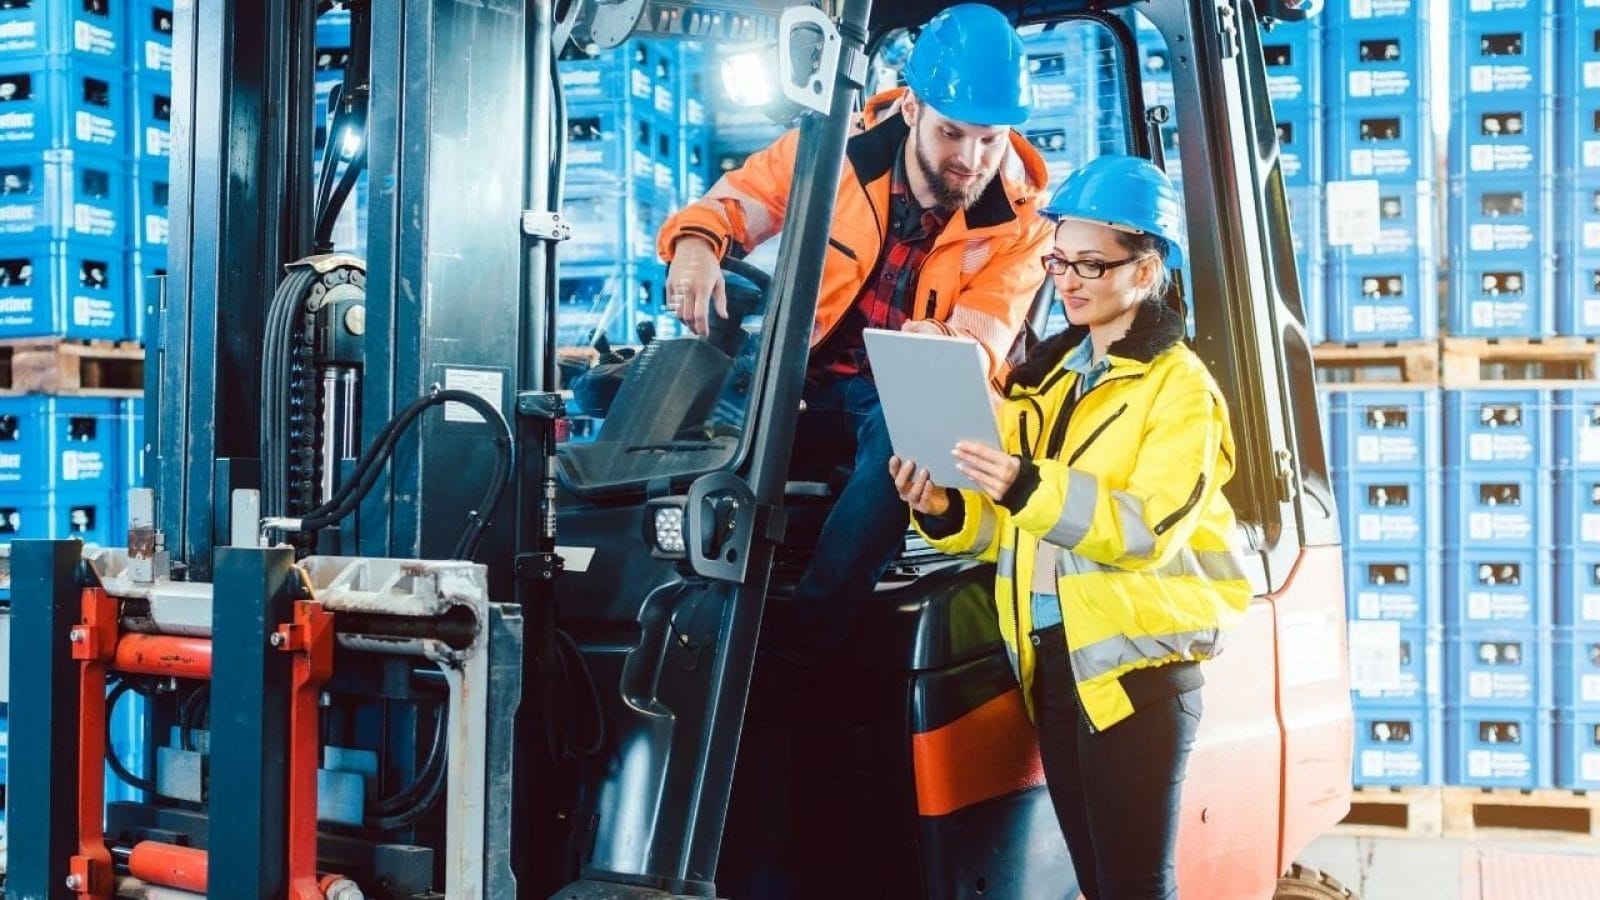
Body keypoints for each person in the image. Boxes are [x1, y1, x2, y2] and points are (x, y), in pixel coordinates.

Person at [890, 155, 1250, 900]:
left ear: (1146, 271)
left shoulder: (1181, 391)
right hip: (1054, 663)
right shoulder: (1051, 384)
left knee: (1133, 887)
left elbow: (1147, 528)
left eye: (1092, 263)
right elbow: (1012, 532)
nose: (1069, 279)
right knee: (1095, 883)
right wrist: (945, 508)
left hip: (1138, 678)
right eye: (1059, 260)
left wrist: (1026, 483)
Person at [656, 3, 1053, 657]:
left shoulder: (1023, 228)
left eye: (990, 140)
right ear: (913, 111)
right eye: (954, 134)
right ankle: (677, 603)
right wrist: (697, 243)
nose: (971, 159)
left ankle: (805, 640)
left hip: (893, 399)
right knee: (658, 398)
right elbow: (739, 200)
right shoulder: (831, 149)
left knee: (909, 434)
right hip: (799, 375)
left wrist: (933, 347)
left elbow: (981, 342)